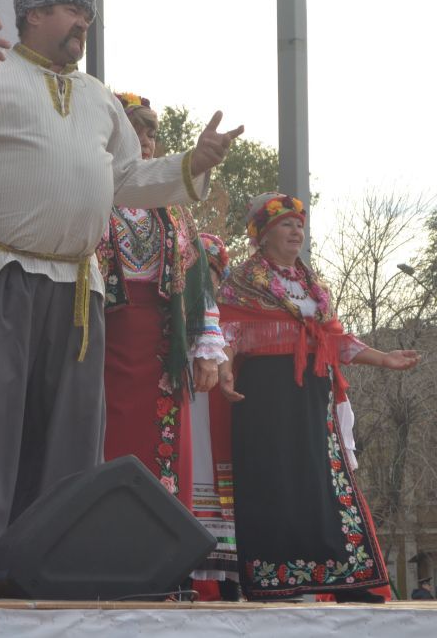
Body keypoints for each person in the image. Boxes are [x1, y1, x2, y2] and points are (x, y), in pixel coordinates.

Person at [0, 0, 242, 589]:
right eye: (72, 11)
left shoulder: (97, 98)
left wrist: (193, 163)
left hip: (77, 283)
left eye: (88, 14)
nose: (83, 23)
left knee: (67, 426)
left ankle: (41, 558)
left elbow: (128, 178)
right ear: (35, 14)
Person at [216, 193, 419, 603]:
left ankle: (347, 579)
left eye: (299, 225)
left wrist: (383, 358)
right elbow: (227, 332)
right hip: (265, 393)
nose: (296, 232)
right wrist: (223, 370)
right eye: (286, 224)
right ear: (263, 233)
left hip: (313, 391)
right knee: (273, 478)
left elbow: (335, 340)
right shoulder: (242, 281)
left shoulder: (314, 286)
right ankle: (274, 579)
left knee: (324, 478)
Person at [96, 93, 227, 511]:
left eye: (150, 133)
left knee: (162, 448)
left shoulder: (173, 209)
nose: (144, 140)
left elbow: (198, 282)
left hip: (162, 350)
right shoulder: (91, 196)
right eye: (133, 130)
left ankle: (163, 538)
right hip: (101, 343)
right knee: (104, 440)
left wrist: (207, 350)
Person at [188, 233, 242, 600]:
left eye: (211, 272)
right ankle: (183, 573)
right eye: (197, 271)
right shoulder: (175, 312)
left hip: (217, 419)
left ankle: (228, 579)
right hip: (186, 413)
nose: (205, 280)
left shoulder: (230, 317)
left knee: (222, 497)